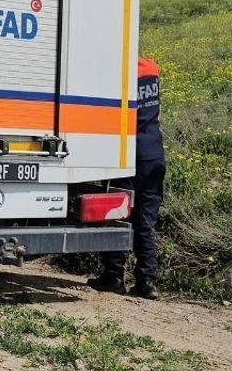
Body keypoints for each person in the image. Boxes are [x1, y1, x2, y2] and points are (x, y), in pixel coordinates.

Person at [88, 57, 166, 299]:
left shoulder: (121, 72)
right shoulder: (151, 68)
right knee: (146, 221)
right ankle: (147, 282)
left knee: (117, 215)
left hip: (128, 155)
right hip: (154, 154)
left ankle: (114, 276)